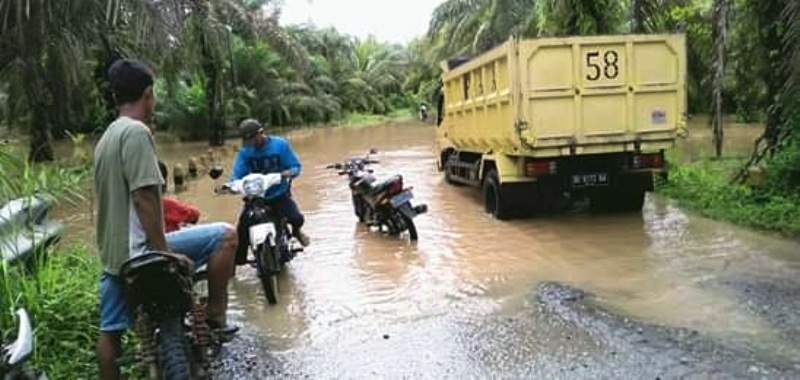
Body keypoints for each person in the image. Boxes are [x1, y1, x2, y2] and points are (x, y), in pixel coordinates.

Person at [93, 58, 238, 380]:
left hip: (113, 257)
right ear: (148, 94)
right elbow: (144, 197)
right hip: (143, 250)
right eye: (153, 96)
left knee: (110, 336)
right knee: (225, 235)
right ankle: (215, 314)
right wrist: (164, 252)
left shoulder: (106, 139)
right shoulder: (136, 133)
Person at [229, 118, 309, 265]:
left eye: (253, 139)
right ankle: (236, 263)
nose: (252, 144)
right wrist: (231, 185)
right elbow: (237, 174)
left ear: (261, 133)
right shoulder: (245, 152)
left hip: (278, 194)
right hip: (255, 197)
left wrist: (289, 173)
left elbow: (295, 165)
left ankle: (296, 231)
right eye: (248, 141)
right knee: (241, 229)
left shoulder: (280, 145)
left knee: (297, 218)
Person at [158, 160, 201, 233]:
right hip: (169, 241)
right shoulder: (167, 204)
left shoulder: (136, 206)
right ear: (164, 183)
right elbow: (195, 215)